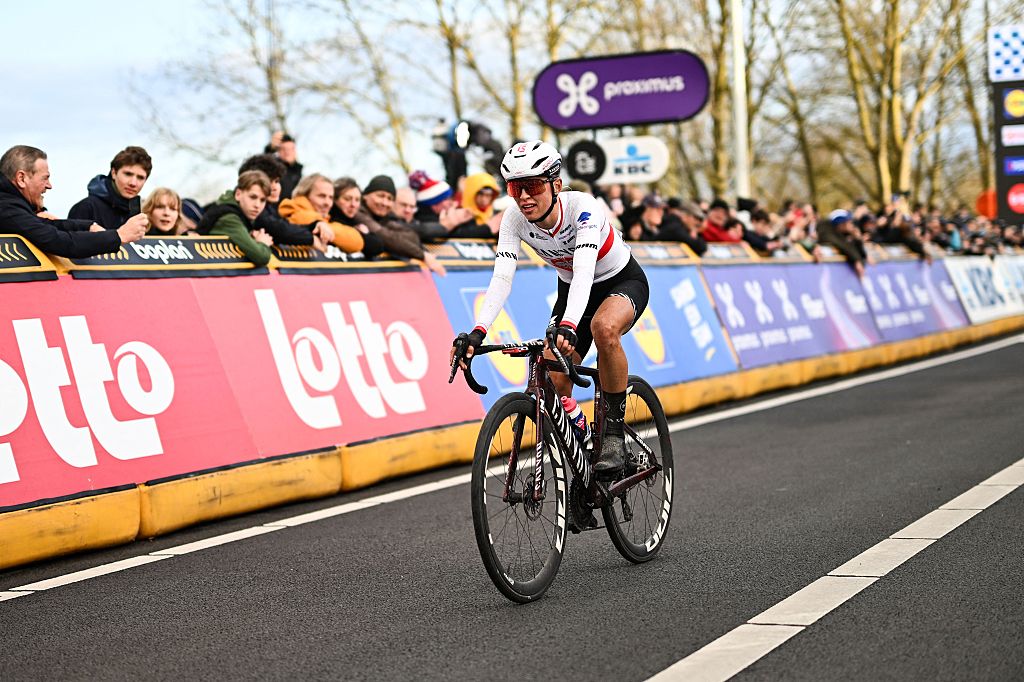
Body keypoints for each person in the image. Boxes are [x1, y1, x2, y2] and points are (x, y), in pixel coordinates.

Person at [450, 141, 649, 477]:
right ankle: (584, 462)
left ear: (556, 185)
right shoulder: (514, 218)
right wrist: (478, 330)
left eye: (532, 186)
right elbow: (502, 278)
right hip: (571, 290)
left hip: (618, 282)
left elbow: (585, 270)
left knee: (603, 328)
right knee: (554, 381)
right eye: (515, 188)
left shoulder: (582, 208)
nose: (524, 197)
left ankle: (614, 434)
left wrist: (570, 324)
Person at [0, 145, 146, 257]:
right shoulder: (6, 208)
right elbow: (57, 240)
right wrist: (119, 236)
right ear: (21, 179)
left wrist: (88, 226)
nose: (49, 185)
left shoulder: (11, 205)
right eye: (45, 178)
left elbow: (46, 225)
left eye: (140, 177)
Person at [239, 154, 333, 251]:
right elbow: (278, 229)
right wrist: (311, 239)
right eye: (267, 182)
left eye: (277, 181)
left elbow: (285, 226)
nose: (275, 188)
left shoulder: (270, 209)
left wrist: (315, 225)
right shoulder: (253, 210)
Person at [357, 174, 445, 274]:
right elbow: (385, 236)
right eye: (380, 196)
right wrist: (422, 255)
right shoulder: (358, 213)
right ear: (365, 195)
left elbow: (410, 235)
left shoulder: (385, 217)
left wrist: (423, 252)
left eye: (389, 198)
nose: (385, 202)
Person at [195, 170, 274, 266]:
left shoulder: (235, 212)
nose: (257, 205)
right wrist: (263, 243)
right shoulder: (229, 219)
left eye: (262, 200)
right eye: (253, 197)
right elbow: (261, 257)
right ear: (238, 194)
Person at [278, 173, 366, 253]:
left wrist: (326, 227)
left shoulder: (324, 220)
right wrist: (320, 225)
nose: (327, 203)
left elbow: (357, 242)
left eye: (330, 197)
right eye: (321, 196)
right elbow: (301, 217)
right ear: (304, 195)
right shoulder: (294, 213)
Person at [69, 146, 152, 229]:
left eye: (140, 177)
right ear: (113, 173)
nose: (133, 183)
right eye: (128, 174)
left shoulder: (140, 215)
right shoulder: (86, 208)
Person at [409, 170, 489, 239]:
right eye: (446, 199)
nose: (452, 202)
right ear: (434, 204)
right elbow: (457, 234)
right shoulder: (424, 222)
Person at [265, 131, 303, 200]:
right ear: (278, 151)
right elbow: (265, 163)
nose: (287, 152)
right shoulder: (275, 167)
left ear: (295, 150)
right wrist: (270, 148)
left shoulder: (298, 171)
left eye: (290, 149)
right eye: (283, 149)